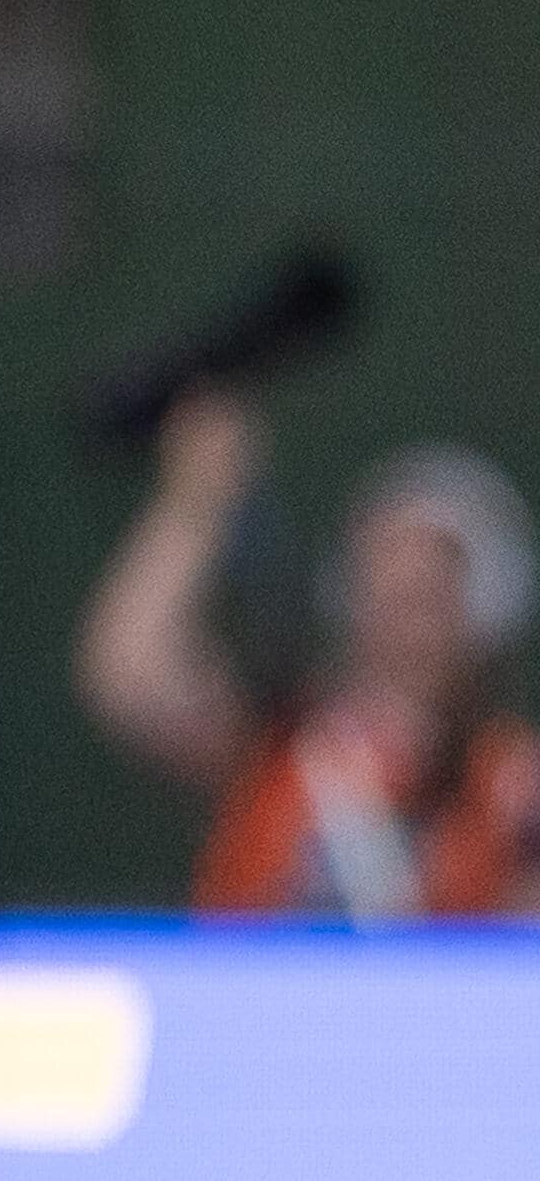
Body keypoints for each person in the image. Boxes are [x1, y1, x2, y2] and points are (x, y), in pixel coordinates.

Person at [75, 391, 540, 917]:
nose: (407, 614)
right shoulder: (280, 745)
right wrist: (197, 504)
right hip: (257, 995)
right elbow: (132, 672)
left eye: (431, 592)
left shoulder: (510, 786)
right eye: (388, 587)